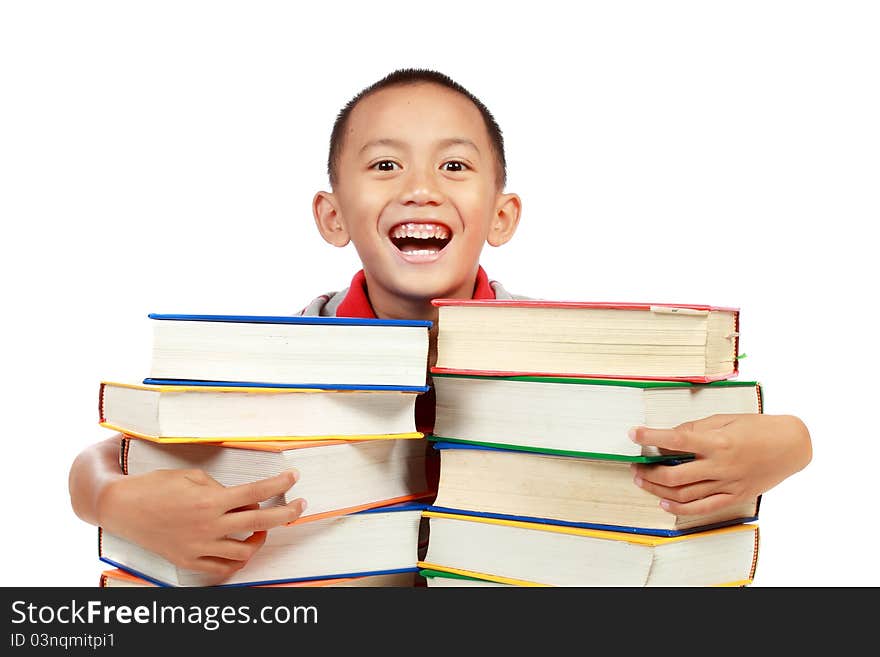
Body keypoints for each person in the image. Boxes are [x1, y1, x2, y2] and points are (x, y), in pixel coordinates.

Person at [68, 68, 812, 579]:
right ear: (332, 216)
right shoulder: (285, 345)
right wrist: (113, 500)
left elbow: (709, 437)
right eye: (385, 166)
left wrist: (789, 444)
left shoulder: (554, 352)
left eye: (454, 167)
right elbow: (117, 455)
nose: (420, 189)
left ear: (501, 214)